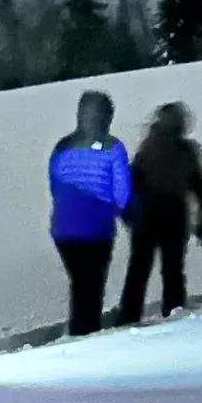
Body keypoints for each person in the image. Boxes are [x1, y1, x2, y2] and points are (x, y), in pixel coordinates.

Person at [47, 90, 132, 335]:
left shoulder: (62, 146)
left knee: (80, 282)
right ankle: (85, 335)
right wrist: (120, 212)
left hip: (64, 228)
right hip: (97, 228)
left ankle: (79, 329)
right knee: (92, 286)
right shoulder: (113, 148)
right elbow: (122, 193)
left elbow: (55, 184)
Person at [119, 100, 202, 323]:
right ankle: (174, 310)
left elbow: (132, 181)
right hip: (174, 212)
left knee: (138, 269)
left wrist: (128, 212)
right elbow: (199, 186)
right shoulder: (186, 150)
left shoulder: (148, 146)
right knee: (173, 269)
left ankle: (129, 315)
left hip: (146, 212)